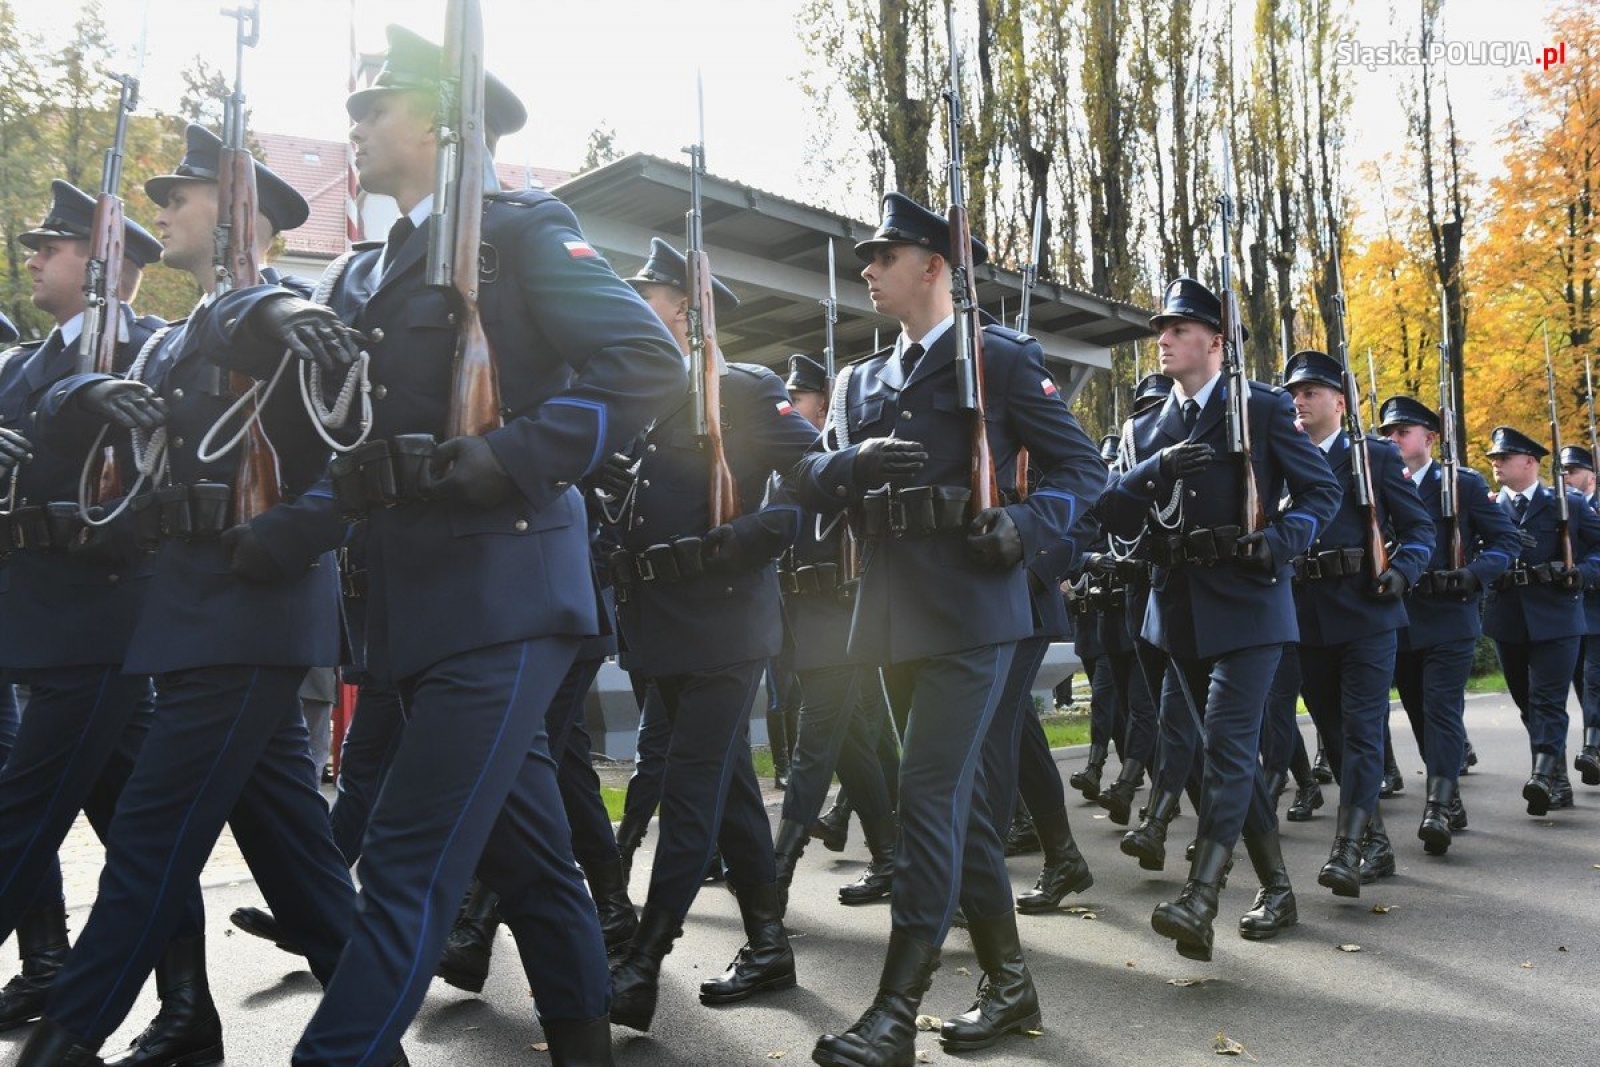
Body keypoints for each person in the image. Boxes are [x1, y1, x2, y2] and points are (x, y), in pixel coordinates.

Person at [209, 24, 689, 1065]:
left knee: (407, 857)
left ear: (437, 121)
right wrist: (277, 535)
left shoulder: (516, 230)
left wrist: (512, 453)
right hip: (413, 609)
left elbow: (645, 360)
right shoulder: (367, 271)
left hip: (506, 587)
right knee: (532, 858)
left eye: (374, 108)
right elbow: (358, 452)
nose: (356, 126)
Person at [13, 129, 361, 1067]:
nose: (159, 210)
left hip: (250, 609)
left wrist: (283, 534)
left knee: (149, 844)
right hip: (194, 613)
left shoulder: (294, 318)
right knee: (306, 871)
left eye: (184, 194)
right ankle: (372, 1048)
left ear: (243, 214)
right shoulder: (171, 337)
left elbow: (351, 455)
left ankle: (64, 1037)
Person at [792, 192, 1104, 1065]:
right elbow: (809, 477)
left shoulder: (997, 359)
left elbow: (1084, 468)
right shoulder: (860, 379)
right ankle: (1009, 985)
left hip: (974, 613)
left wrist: (1030, 527)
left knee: (925, 797)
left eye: (882, 257)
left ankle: (896, 1011)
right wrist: (842, 462)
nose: (868, 271)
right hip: (892, 617)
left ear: (932, 265)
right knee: (951, 806)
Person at [599, 237, 819, 1030]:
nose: (633, 301)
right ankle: (768, 943)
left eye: (649, 292)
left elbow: (813, 476)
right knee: (723, 786)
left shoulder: (747, 388)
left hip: (726, 619)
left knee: (689, 790)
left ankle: (643, 961)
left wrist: (751, 536)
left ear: (688, 311)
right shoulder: (636, 389)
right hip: (659, 624)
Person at [1097, 278, 1340, 962]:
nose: (1164, 339)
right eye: (1161, 329)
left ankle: (1202, 896)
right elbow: (1112, 514)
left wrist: (1284, 538)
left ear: (1214, 339)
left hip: (1252, 597)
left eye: (1179, 328)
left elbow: (1320, 488)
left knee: (1231, 749)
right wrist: (1152, 467)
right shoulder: (1145, 426)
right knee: (1209, 760)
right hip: (1178, 608)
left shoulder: (1257, 406)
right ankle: (1279, 888)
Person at [1280, 350, 1433, 894]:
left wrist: (1404, 571)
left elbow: (1419, 529)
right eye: (1294, 393)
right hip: (1306, 613)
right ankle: (1375, 840)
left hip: (1367, 609)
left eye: (1311, 392)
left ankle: (1346, 850)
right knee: (1335, 734)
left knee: (1363, 729)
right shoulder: (1282, 455)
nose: (1299, 401)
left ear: (1340, 402)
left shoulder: (1373, 457)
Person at [770, 353, 901, 909]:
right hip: (803, 616)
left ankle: (774, 878)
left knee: (814, 743)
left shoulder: (847, 458)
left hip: (841, 612)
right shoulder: (787, 458)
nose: (785, 408)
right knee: (851, 745)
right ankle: (895, 857)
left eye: (794, 400)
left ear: (821, 404)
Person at [1379, 396, 1518, 853]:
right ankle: (1449, 792)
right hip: (1399, 618)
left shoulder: (1462, 484)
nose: (1393, 439)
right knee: (1419, 712)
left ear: (1429, 438)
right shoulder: (1378, 482)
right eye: (1387, 433)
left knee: (1440, 708)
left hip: (1451, 613)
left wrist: (1474, 573)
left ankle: (1437, 804)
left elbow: (1506, 539)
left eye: (1401, 432)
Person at [1482, 426, 1600, 816]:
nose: (1495, 463)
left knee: (1547, 699)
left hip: (1558, 616)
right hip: (1508, 617)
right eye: (1494, 459)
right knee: (1524, 701)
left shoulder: (1566, 504)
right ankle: (1558, 779)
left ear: (1530, 462)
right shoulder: (1489, 506)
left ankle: (1542, 771)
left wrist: (1581, 572)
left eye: (1504, 458)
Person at [1559, 445, 1600, 786]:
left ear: (1591, 474)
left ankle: (1592, 746)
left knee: (1594, 678)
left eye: (1572, 471)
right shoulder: (1560, 508)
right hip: (1571, 611)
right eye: (1562, 472)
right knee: (1580, 682)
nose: (1566, 478)